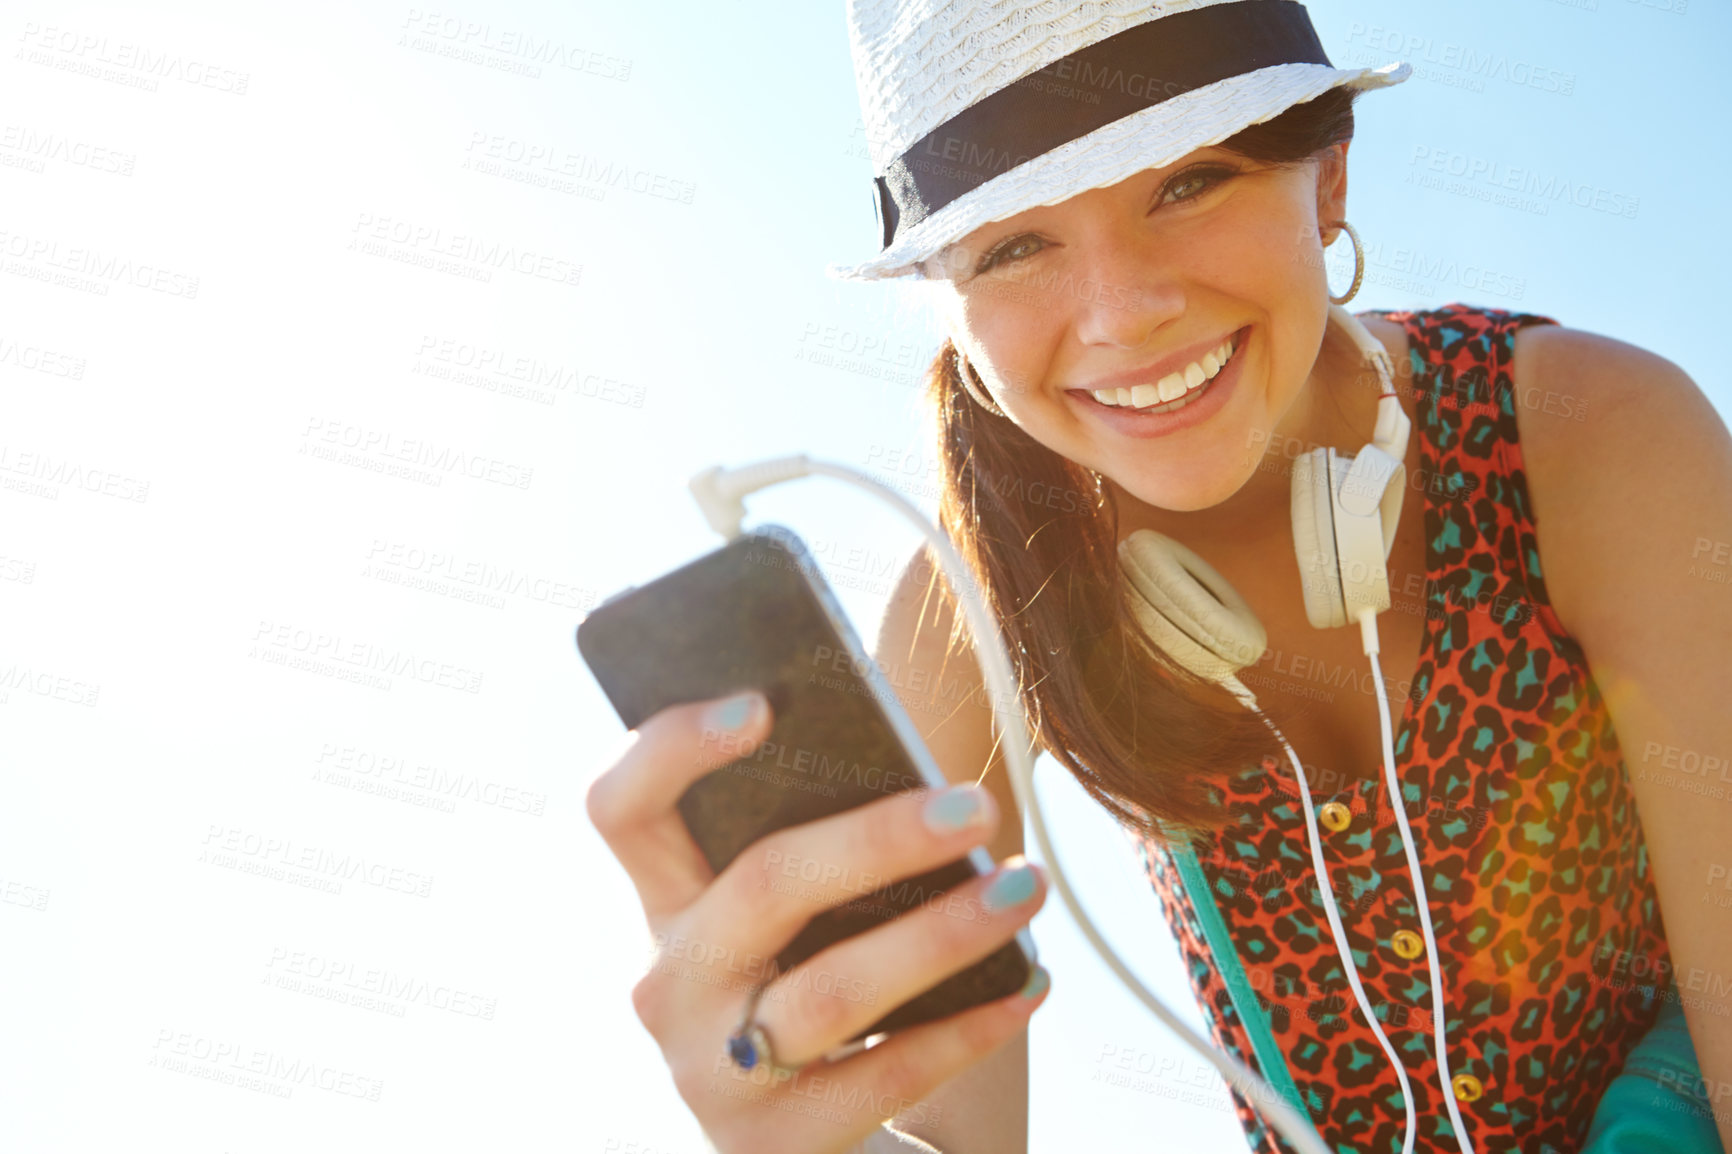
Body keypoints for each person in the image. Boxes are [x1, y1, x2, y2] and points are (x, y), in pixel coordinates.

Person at [585, 2, 1732, 1151]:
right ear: (949, 300)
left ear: (1327, 176)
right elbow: (936, 1128)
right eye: (1013, 247)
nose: (1123, 315)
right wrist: (798, 1127)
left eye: (1186, 182)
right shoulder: (974, 601)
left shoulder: (1589, 435)